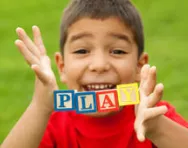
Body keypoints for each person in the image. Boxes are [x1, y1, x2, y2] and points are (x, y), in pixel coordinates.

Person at [1, 0, 188, 147]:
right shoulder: (48, 124)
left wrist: (157, 128)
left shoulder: (154, 114)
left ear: (139, 66)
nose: (99, 65)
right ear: (62, 67)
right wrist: (39, 108)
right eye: (82, 51)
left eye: (118, 51)